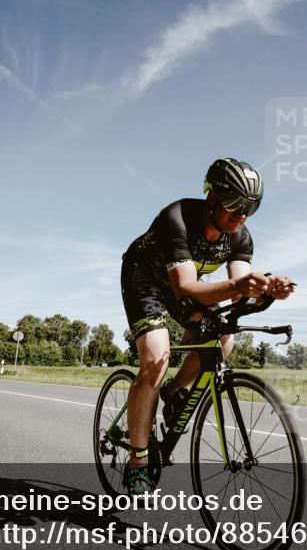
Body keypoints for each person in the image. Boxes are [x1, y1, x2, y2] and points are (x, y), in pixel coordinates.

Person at [120, 158, 295, 496]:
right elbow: (186, 288)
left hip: (182, 285)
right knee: (157, 358)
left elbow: (239, 292)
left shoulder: (240, 237)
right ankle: (137, 462)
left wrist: (268, 291)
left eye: (251, 207)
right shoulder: (177, 218)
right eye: (235, 203)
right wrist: (241, 286)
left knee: (224, 336)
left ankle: (173, 392)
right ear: (212, 196)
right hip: (145, 281)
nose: (242, 214)